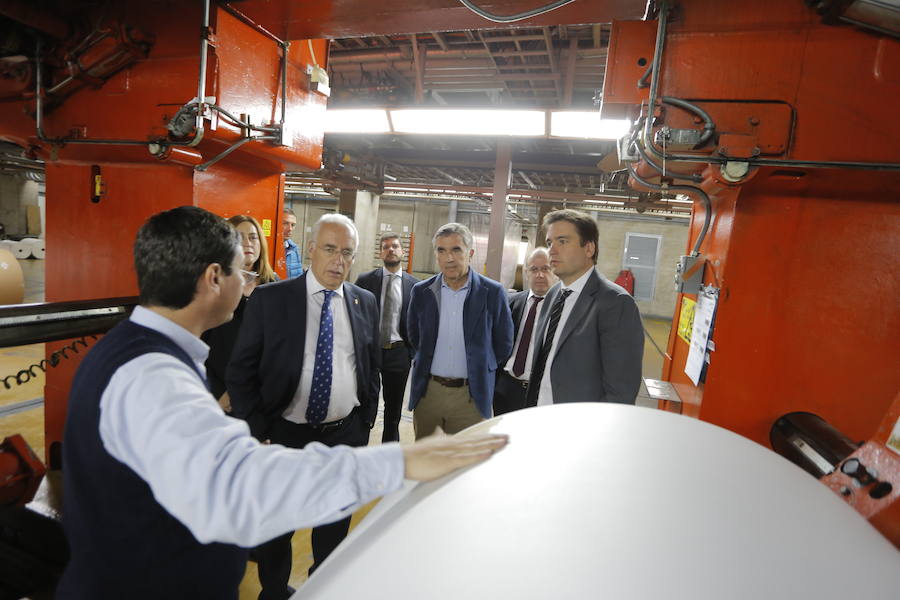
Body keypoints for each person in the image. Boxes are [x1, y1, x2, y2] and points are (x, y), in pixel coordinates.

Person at [56, 206, 508, 600]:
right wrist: (399, 462)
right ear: (214, 278)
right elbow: (241, 484)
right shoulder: (152, 376)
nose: (249, 280)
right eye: (242, 270)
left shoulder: (141, 354)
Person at [226, 214, 375, 597]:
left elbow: (367, 366)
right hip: (283, 434)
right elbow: (240, 372)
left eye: (347, 253)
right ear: (311, 249)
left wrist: (363, 426)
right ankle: (275, 591)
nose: (338, 261)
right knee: (277, 526)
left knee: (334, 524)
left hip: (343, 436)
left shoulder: (364, 302)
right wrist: (258, 431)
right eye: (330, 249)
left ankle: (322, 588)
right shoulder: (271, 299)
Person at [526, 209, 644, 407]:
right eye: (549, 243)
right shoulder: (553, 294)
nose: (552, 250)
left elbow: (621, 392)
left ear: (589, 249)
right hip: (540, 413)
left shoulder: (616, 304)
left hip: (582, 422)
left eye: (562, 241)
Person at [407, 223, 514, 439]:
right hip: (428, 394)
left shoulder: (492, 292)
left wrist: (481, 367)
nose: (449, 258)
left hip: (471, 396)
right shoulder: (421, 292)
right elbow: (414, 336)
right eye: (441, 250)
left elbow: (504, 343)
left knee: (468, 457)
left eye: (456, 250)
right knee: (429, 457)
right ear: (436, 255)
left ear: (470, 253)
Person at [202, 215, 277, 413]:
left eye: (253, 237)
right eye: (239, 237)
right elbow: (199, 347)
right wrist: (217, 392)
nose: (247, 243)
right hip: (224, 398)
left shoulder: (275, 287)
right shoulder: (214, 286)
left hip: (265, 397)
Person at [355, 232, 419, 443]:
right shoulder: (365, 281)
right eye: (386, 247)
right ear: (380, 253)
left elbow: (419, 321)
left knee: (393, 411)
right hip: (371, 352)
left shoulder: (415, 286)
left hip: (399, 353)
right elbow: (356, 315)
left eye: (395, 246)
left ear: (403, 251)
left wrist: (411, 351)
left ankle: (389, 452)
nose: (390, 249)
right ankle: (359, 447)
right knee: (365, 404)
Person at [493, 247, 558, 415]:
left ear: (555, 272)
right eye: (534, 269)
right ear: (526, 273)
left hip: (540, 394)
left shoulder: (562, 309)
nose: (540, 275)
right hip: (505, 389)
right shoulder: (510, 303)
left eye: (546, 268)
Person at [283, 207, 303, 279]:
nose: (290, 229)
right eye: (285, 223)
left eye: (293, 225)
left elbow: (298, 276)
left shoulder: (294, 249)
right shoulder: (266, 248)